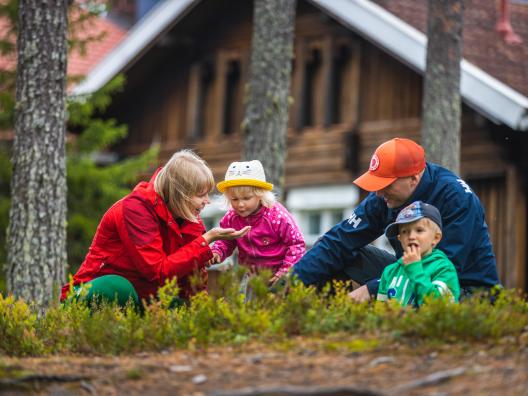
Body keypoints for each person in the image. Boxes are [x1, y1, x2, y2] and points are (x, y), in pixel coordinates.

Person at [292, 137, 499, 301]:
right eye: (377, 183)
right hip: (407, 270)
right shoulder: (383, 198)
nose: (379, 192)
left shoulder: (456, 198)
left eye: (387, 184)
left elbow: (441, 268)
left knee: (424, 287)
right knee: (335, 251)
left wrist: (374, 288)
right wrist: (288, 284)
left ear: (414, 178)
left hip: (460, 289)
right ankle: (333, 322)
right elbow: (338, 241)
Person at [60, 149, 250, 308]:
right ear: (179, 194)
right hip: (89, 295)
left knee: (179, 307)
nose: (207, 201)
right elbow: (157, 271)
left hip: (141, 301)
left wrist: (201, 312)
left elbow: (192, 280)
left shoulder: (188, 218)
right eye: (201, 195)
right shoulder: (136, 209)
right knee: (118, 286)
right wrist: (206, 240)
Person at [210, 160, 305, 284]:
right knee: (248, 303)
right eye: (234, 199)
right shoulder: (231, 218)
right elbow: (226, 240)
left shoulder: (277, 216)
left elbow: (296, 244)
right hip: (250, 277)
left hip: (277, 275)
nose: (240, 204)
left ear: (260, 194)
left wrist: (285, 272)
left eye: (246, 198)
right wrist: (218, 251)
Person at [377, 201, 460, 306]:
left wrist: (415, 269)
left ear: (436, 238)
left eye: (419, 230)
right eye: (404, 232)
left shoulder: (443, 268)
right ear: (399, 239)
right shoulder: (390, 271)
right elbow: (380, 311)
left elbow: (440, 308)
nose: (411, 236)